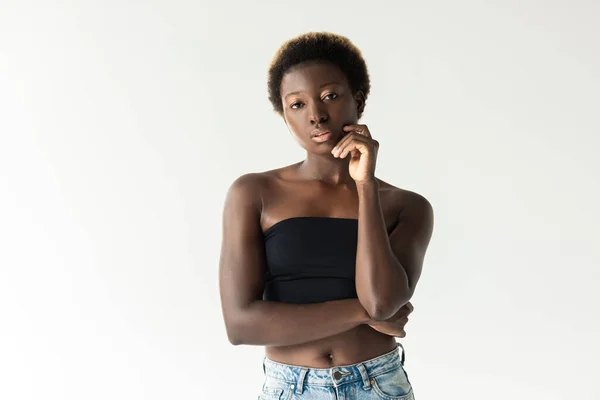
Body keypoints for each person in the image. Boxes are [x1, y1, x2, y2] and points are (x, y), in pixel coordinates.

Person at [218, 32, 434, 399]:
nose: (316, 116)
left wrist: (364, 186)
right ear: (285, 115)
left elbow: (382, 302)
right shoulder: (254, 193)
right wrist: (362, 314)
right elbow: (241, 326)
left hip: (378, 386)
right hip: (290, 387)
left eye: (330, 96)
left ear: (358, 98)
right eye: (297, 105)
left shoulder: (406, 206)